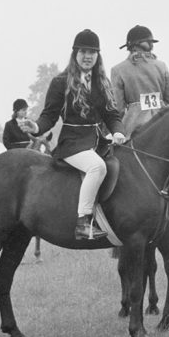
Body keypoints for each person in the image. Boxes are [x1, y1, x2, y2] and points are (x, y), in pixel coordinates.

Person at [34, 30, 125, 240]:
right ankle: (83, 223)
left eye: (93, 52)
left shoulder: (102, 82)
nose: (88, 56)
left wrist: (118, 131)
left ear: (98, 55)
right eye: (84, 51)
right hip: (72, 143)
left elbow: (111, 114)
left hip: (98, 142)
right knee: (97, 167)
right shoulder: (60, 82)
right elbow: (49, 116)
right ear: (75, 53)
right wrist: (36, 128)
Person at [110, 25, 169, 137]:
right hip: (163, 125)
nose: (151, 44)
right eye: (149, 42)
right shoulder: (162, 66)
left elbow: (119, 109)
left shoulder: (118, 70)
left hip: (133, 127)